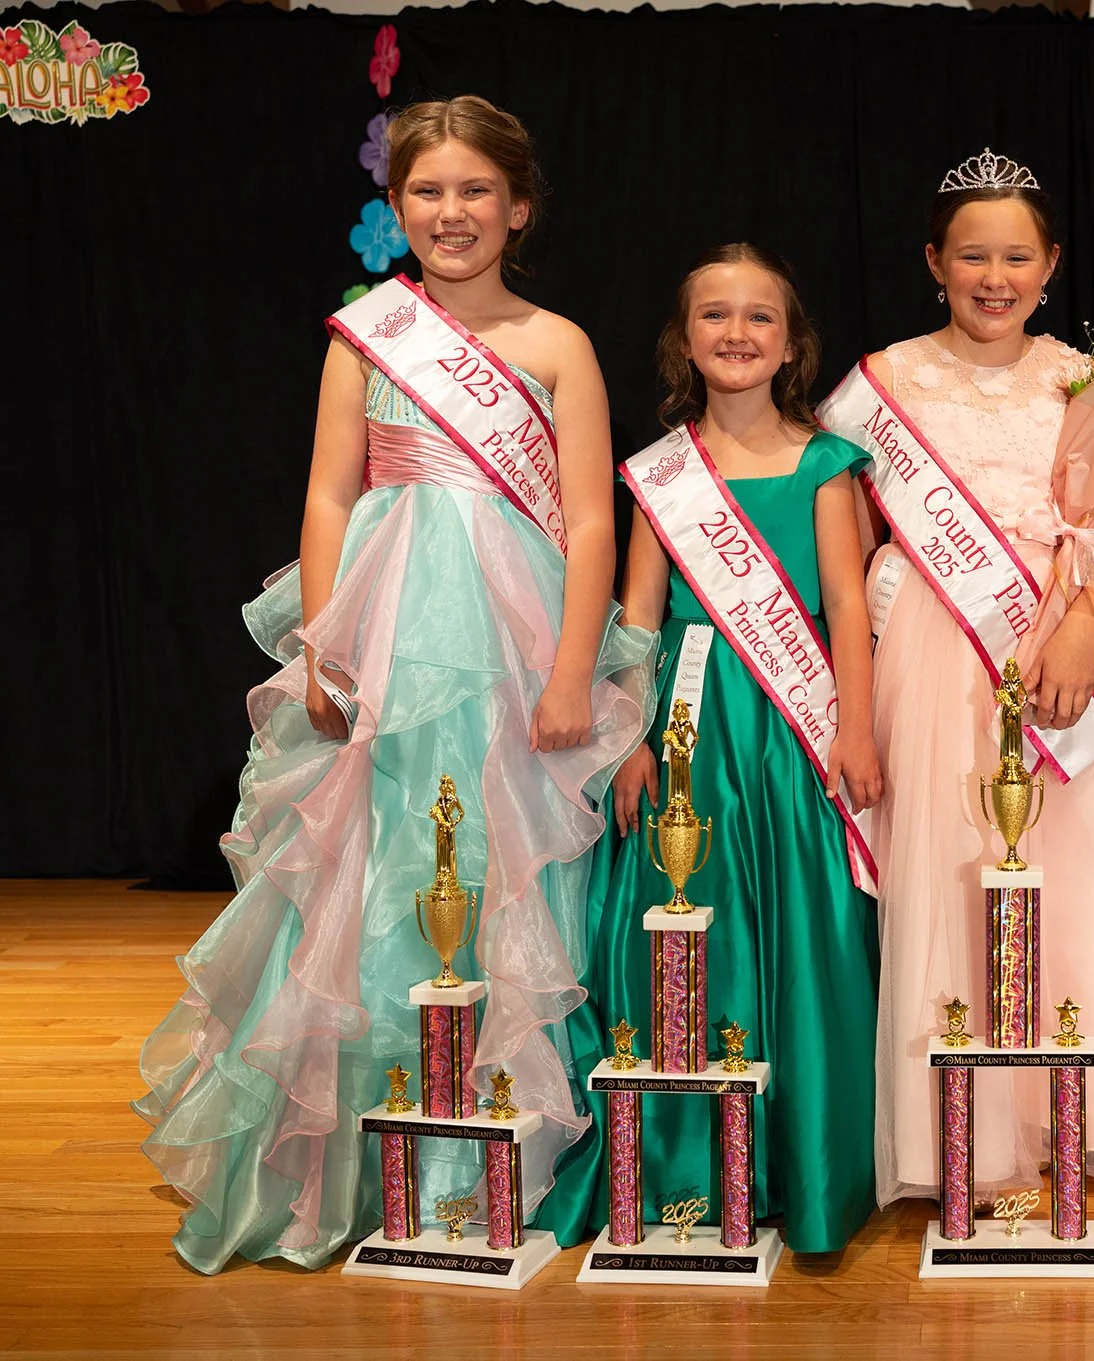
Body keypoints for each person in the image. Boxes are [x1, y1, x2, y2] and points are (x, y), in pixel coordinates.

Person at [135, 95, 651, 1272]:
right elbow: (328, 493)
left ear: (518, 207)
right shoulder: (366, 334)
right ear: (395, 205)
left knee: (505, 867)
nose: (452, 211)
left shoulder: (557, 343)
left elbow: (586, 518)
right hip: (385, 627)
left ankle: (487, 1158)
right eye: (428, 191)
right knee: (371, 873)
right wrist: (323, 642)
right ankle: (360, 1166)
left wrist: (574, 668)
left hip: (512, 639)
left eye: (477, 191)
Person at [539, 244, 882, 1253]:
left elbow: (851, 607)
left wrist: (853, 726)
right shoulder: (659, 474)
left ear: (790, 342)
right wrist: (633, 737)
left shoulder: (826, 463)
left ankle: (795, 1161)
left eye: (758, 318)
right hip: (688, 728)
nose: (736, 333)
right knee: (683, 932)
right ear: (683, 339)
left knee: (796, 930)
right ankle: (682, 1163)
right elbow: (637, 619)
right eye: (714, 316)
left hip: (786, 727)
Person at [821, 149, 1094, 1206]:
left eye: (1015, 255)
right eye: (970, 255)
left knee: (1069, 872)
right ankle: (961, 1131)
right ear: (932, 261)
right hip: (928, 638)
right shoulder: (882, 382)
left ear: (1050, 263)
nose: (992, 276)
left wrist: (1080, 632)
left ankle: (1058, 1116)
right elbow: (846, 540)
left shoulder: (1081, 378)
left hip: (1048, 648)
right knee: (951, 870)